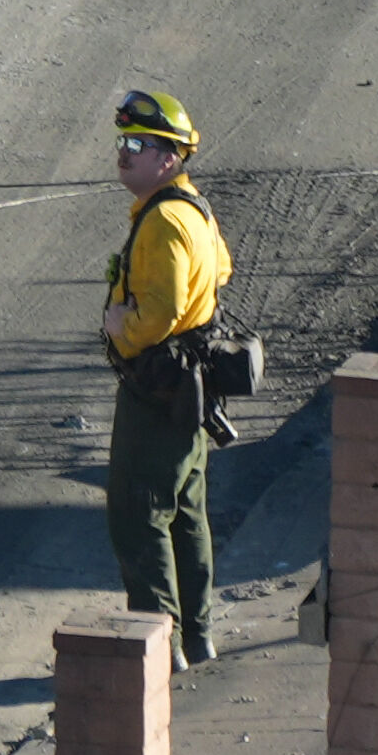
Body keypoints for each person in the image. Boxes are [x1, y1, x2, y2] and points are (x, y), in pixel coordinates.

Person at [103, 85, 233, 667]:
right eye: (123, 141)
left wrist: (119, 325)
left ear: (170, 157)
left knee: (140, 512)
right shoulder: (194, 211)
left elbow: (157, 314)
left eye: (138, 143)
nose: (124, 152)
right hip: (189, 388)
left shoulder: (165, 223)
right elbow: (222, 268)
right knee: (185, 512)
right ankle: (195, 636)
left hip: (157, 389)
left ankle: (158, 643)